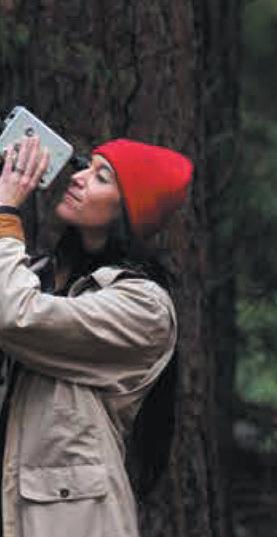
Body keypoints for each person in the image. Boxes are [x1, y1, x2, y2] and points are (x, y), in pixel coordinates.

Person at [0, 135, 193, 537]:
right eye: (86, 166)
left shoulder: (144, 308)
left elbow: (15, 315)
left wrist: (6, 212)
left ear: (128, 212)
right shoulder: (39, 276)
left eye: (101, 177)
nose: (78, 178)